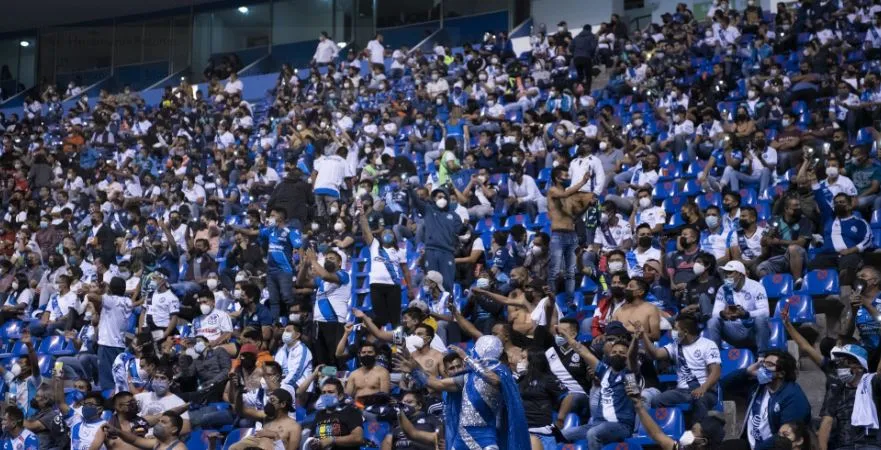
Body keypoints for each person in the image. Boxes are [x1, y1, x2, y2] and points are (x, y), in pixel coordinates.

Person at [393, 335, 530, 450]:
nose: (473, 351)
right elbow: (437, 383)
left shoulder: (500, 372)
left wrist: (467, 359)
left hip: (485, 438)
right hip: (461, 437)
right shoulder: (467, 377)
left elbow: (494, 381)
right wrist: (414, 370)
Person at [639, 314, 721, 421]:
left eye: (675, 328)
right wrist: (643, 335)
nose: (672, 331)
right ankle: (664, 433)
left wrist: (703, 388)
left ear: (685, 332)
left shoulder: (708, 345)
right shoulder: (675, 345)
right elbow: (656, 354)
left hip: (706, 391)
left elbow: (716, 372)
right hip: (682, 392)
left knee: (699, 400)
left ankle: (698, 432)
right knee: (657, 401)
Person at [724, 350, 811, 449]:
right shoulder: (758, 386)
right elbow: (724, 385)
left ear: (781, 374)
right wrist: (747, 371)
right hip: (750, 444)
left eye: (769, 364)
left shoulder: (794, 398)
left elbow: (784, 439)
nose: (763, 367)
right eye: (763, 363)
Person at [818, 344, 881, 450]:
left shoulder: (872, 383)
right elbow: (826, 422)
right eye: (841, 362)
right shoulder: (836, 389)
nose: (842, 366)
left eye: (847, 362)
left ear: (860, 366)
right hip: (844, 446)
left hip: (870, 444)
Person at [547, 166, 593, 299]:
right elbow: (565, 194)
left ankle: (570, 300)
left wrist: (587, 206)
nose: (568, 178)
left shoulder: (569, 197)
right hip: (558, 235)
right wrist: (583, 182)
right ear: (557, 178)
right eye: (565, 176)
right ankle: (552, 300)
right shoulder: (553, 191)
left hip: (571, 235)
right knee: (555, 270)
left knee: (571, 272)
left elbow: (575, 218)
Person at [706, 261, 770, 352]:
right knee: (712, 321)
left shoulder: (756, 286)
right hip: (734, 329)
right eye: (725, 273)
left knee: (760, 319)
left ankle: (762, 356)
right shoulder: (723, 289)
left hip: (752, 330)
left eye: (730, 273)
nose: (726, 276)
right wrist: (724, 314)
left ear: (740, 275)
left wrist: (746, 314)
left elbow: (765, 312)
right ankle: (715, 358)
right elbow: (715, 313)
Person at [228, 389, 301, 450]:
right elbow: (241, 411)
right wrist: (239, 394)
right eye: (268, 399)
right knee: (234, 448)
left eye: (272, 400)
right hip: (256, 445)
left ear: (283, 404)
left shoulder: (294, 427)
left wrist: (275, 436)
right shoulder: (266, 416)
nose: (269, 402)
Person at [311, 377, 365, 449]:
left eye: (330, 392)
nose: (326, 395)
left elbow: (358, 438)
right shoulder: (319, 414)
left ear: (340, 396)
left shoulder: (351, 411)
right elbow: (312, 438)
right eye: (324, 392)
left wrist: (332, 440)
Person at [103, 411, 187, 450]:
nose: (158, 424)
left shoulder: (178, 449)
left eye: (163, 422)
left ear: (174, 430)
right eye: (159, 421)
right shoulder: (158, 443)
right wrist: (117, 431)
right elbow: (135, 440)